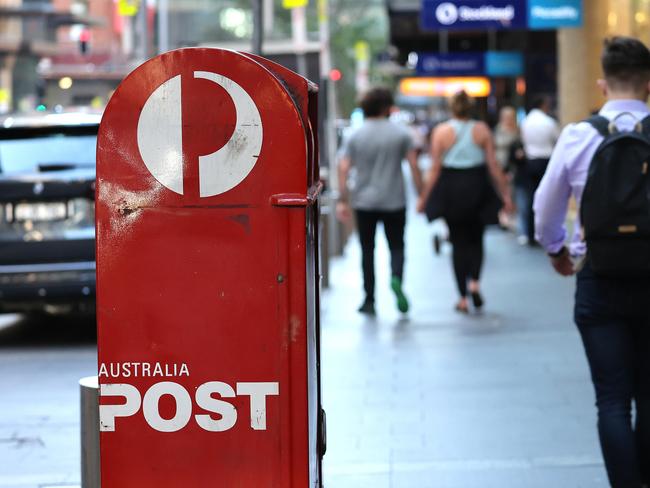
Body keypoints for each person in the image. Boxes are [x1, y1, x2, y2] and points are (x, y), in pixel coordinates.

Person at [534, 36, 650, 487]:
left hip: (599, 277)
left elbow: (545, 208)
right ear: (647, 84)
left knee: (613, 400)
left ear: (602, 85)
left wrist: (557, 250)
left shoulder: (579, 136)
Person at [416, 91, 512, 313]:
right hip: (477, 185)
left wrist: (424, 198)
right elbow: (493, 165)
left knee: (458, 243)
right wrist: (505, 195)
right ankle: (475, 283)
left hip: (451, 188)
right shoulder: (482, 130)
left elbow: (435, 169)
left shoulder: (441, 132)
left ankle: (462, 297)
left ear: (452, 108)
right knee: (477, 238)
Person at [337, 87, 423, 316]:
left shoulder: (354, 134)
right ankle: (396, 278)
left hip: (364, 202)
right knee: (397, 245)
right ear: (387, 108)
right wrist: (422, 194)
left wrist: (343, 200)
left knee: (367, 250)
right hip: (394, 200)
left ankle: (369, 299)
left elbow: (344, 168)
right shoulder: (401, 133)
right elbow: (414, 166)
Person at [519, 95, 560, 245]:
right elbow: (558, 140)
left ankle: (531, 233)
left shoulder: (525, 122)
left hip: (530, 162)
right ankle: (548, 233)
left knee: (531, 198)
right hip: (546, 161)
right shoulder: (549, 122)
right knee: (549, 197)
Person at [494, 106, 520, 230]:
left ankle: (511, 215)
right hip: (500, 164)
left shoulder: (518, 130)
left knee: (512, 191)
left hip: (513, 166)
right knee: (502, 191)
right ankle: (503, 216)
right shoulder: (498, 130)